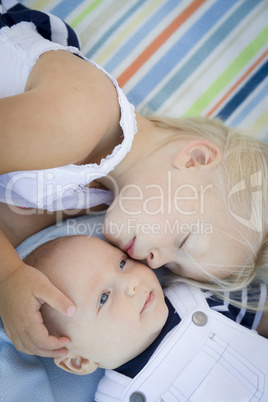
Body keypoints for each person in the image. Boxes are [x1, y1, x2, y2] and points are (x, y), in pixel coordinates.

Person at [0, 0, 267, 359]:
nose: (155, 264)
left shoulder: (99, 201)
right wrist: (8, 277)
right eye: (184, 240)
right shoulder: (80, 116)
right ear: (195, 158)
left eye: (172, 265)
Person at [23, 234, 268, 401]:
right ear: (79, 361)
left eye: (121, 263)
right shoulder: (112, 396)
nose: (131, 281)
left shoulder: (198, 298)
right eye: (104, 298)